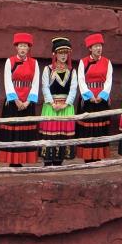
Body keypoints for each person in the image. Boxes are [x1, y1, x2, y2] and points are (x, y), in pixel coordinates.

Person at [0, 33, 41, 167]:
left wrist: (28, 101)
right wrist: (16, 100)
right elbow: (7, 81)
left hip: (28, 102)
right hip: (13, 102)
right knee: (13, 130)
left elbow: (35, 83)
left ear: (29, 48)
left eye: (25, 46)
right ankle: (12, 160)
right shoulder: (10, 61)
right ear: (16, 47)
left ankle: (23, 158)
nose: (23, 49)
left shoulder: (34, 63)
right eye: (20, 46)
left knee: (25, 131)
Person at [38, 37, 78, 166]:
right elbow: (45, 87)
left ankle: (59, 161)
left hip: (66, 106)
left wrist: (66, 104)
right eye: (60, 53)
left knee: (62, 134)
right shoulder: (48, 69)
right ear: (54, 54)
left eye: (65, 53)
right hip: (51, 106)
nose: (63, 56)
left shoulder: (72, 71)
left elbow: (73, 89)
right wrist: (52, 103)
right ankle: (48, 161)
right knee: (51, 134)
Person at [75, 33, 114, 163]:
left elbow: (109, 80)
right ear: (90, 48)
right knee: (88, 128)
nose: (98, 48)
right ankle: (88, 156)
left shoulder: (107, 62)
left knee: (100, 128)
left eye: (100, 46)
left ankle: (98, 155)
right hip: (88, 101)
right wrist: (89, 96)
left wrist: (102, 96)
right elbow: (81, 80)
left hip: (102, 100)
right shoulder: (83, 62)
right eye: (95, 46)